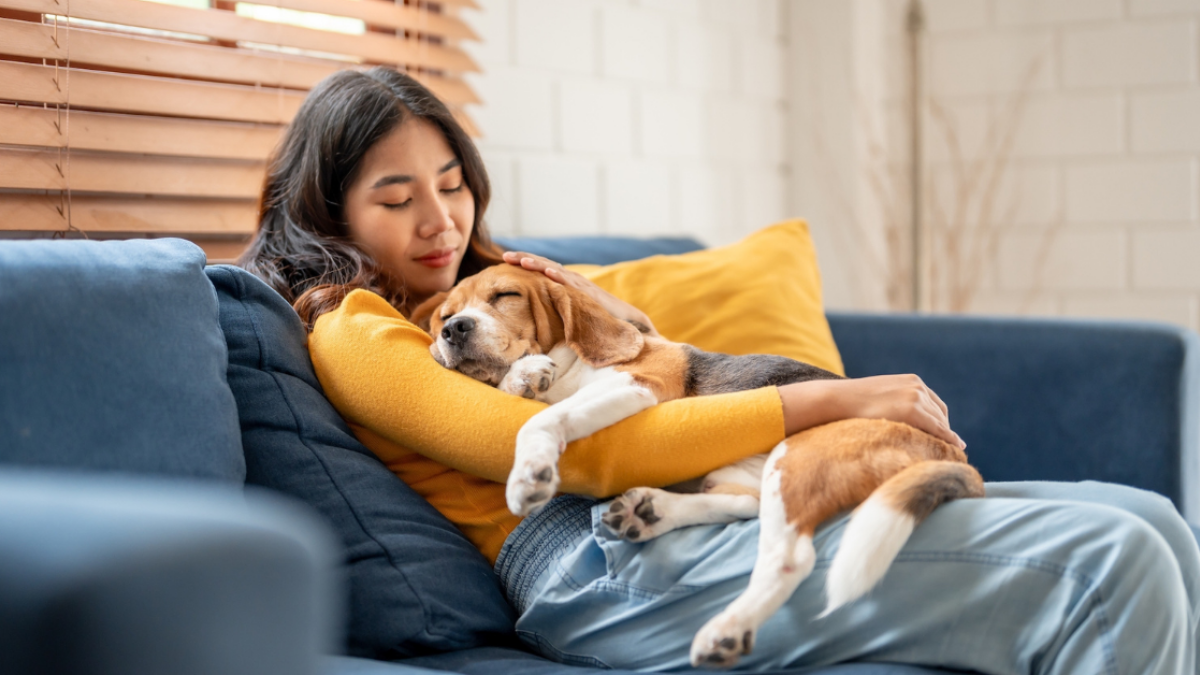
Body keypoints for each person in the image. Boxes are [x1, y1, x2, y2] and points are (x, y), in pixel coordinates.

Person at [239, 66, 1198, 675]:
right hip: (590, 561)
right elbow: (584, 459)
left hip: (683, 507)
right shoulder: (356, 330)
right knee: (1115, 566)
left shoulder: (500, 289)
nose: (440, 221)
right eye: (397, 197)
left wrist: (570, 288)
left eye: (452, 186)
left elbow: (639, 350)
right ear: (330, 215)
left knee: (1148, 515)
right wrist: (837, 393)